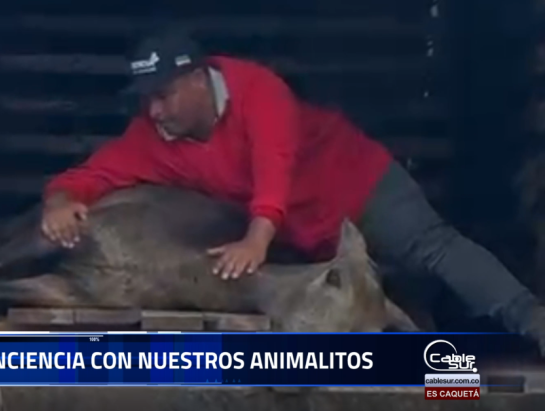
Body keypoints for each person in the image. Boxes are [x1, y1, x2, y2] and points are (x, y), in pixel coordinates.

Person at [40, 30, 545, 353]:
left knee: (433, 250)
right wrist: (62, 202)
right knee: (374, 310)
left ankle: (533, 322)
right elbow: (93, 174)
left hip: (359, 187)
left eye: (163, 96)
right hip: (301, 236)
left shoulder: (257, 90)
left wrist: (258, 236)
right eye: (146, 101)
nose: (154, 112)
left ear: (197, 78)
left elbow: (273, 164)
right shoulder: (155, 137)